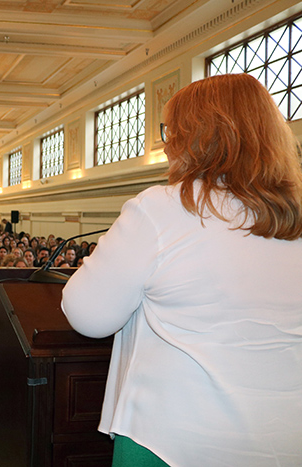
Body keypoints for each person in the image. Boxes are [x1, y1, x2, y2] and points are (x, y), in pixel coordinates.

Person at [61, 74, 302, 467]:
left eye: (169, 131)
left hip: (174, 439)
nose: (165, 142)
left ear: (193, 137)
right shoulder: (295, 215)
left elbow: (88, 315)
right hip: (287, 438)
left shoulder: (161, 208)